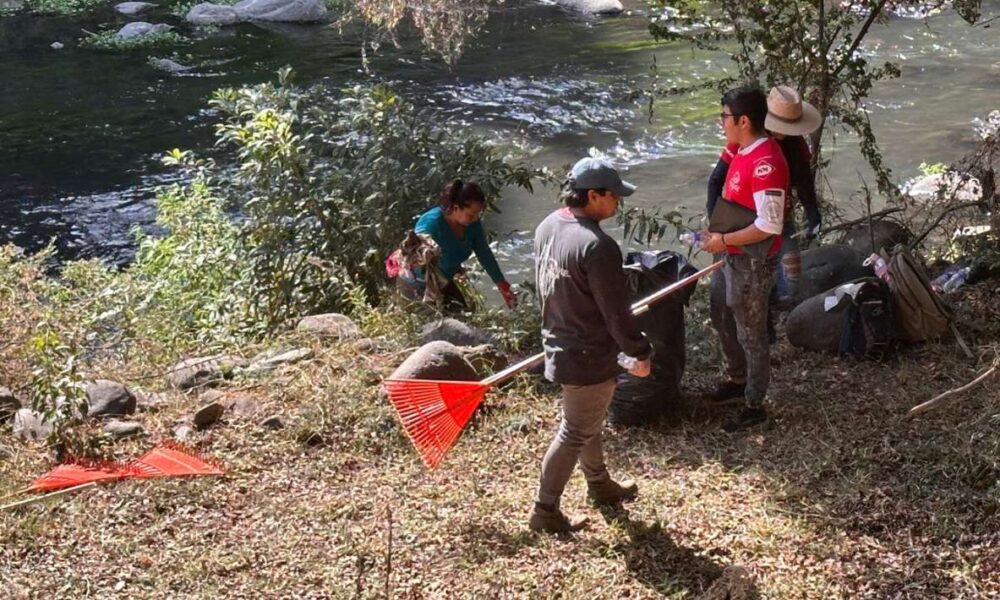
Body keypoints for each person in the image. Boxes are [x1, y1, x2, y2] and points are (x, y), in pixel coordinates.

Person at [529, 157, 652, 534]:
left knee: (588, 421)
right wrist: (639, 351)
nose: (617, 202)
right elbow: (616, 313)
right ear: (593, 195)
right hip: (586, 353)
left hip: (560, 342)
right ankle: (544, 510)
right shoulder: (598, 246)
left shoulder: (548, 225)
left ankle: (599, 484)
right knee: (575, 430)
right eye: (613, 195)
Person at [699, 85, 790, 432]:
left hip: (751, 261)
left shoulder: (767, 162)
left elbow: (769, 224)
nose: (721, 123)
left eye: (724, 117)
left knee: (751, 332)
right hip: (731, 255)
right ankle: (737, 380)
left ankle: (755, 404)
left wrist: (724, 239)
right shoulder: (741, 149)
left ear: (744, 120)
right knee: (722, 313)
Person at [707, 86, 824, 307]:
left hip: (781, 217)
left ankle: (787, 310)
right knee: (751, 281)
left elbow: (804, 182)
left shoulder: (795, 145)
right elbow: (715, 181)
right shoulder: (744, 143)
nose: (783, 132)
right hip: (746, 223)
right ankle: (766, 317)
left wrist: (813, 214)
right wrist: (716, 224)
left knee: (791, 276)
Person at [411, 180, 517, 310]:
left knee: (462, 315)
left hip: (444, 280)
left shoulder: (472, 225)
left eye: (478, 214)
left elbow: (484, 253)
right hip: (417, 283)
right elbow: (413, 251)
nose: (475, 218)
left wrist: (503, 286)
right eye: (471, 214)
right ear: (455, 208)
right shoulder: (432, 222)